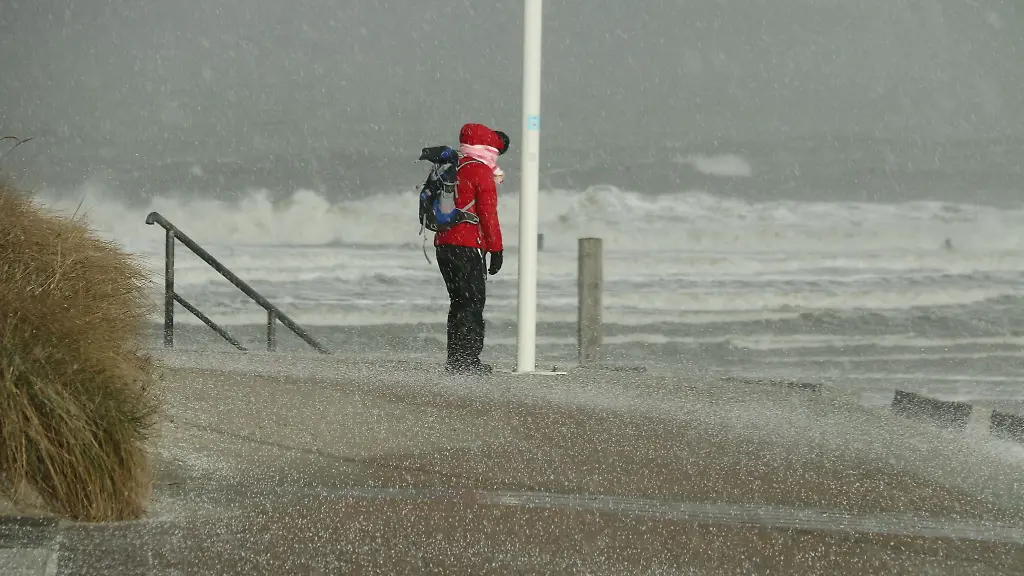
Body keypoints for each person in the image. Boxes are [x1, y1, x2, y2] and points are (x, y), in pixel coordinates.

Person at [434, 123, 509, 374]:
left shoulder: (451, 167)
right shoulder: (479, 171)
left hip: (443, 244)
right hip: (466, 245)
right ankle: (467, 361)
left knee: (457, 303)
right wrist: (496, 249)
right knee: (473, 303)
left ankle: (455, 359)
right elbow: (488, 214)